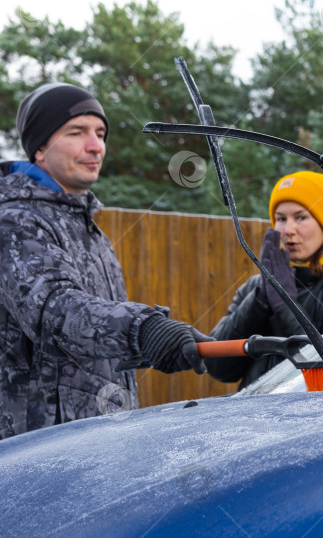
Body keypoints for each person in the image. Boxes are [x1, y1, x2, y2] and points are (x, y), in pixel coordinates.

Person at [0, 82, 212, 439]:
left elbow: (97, 345)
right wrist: (142, 328)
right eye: (76, 132)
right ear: (39, 147)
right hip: (38, 451)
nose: (95, 145)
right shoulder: (16, 222)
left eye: (100, 133)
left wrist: (158, 349)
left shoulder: (91, 231)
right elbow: (55, 310)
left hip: (100, 441)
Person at [206, 171, 323, 389]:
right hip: (250, 415)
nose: (288, 230)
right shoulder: (256, 287)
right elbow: (217, 367)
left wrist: (284, 304)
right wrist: (261, 300)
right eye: (281, 219)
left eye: (301, 217)